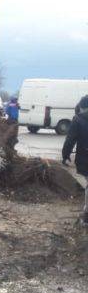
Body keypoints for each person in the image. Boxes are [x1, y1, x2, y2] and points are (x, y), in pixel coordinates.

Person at [62, 95, 88, 224]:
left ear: (82, 107)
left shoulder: (78, 120)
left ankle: (87, 215)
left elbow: (70, 140)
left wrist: (65, 155)